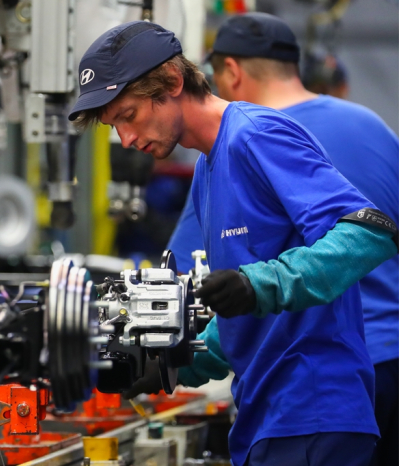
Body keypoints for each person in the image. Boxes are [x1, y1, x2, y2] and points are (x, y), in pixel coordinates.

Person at [68, 20, 397, 466]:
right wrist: (168, 367)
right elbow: (240, 316)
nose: (126, 138)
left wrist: (259, 284)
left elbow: (370, 232)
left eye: (128, 115)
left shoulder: (255, 135)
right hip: (265, 414)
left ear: (172, 81)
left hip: (312, 411)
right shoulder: (208, 169)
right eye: (114, 127)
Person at [166, 13, 399, 466]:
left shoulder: (249, 139)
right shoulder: (374, 127)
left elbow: (181, 274)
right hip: (378, 364)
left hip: (310, 377)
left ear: (231, 71)